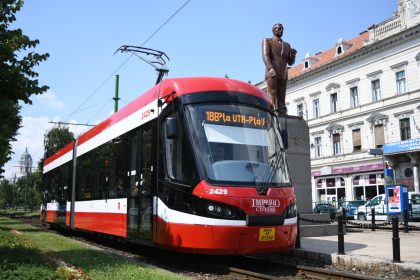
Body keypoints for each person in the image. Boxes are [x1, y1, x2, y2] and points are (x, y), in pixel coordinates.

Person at [262, 23, 297, 114]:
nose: (281, 30)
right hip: (272, 71)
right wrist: (270, 68)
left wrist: (293, 56)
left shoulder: (287, 45)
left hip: (283, 73)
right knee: (272, 93)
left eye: (282, 29)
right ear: (273, 30)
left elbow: (290, 62)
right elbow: (265, 55)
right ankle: (272, 112)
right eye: (278, 28)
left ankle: (282, 112)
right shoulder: (267, 41)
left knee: (282, 95)